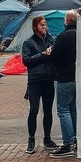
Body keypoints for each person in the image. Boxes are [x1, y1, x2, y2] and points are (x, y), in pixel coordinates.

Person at [20, 15, 58, 154]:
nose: (44, 27)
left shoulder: (50, 40)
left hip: (48, 78)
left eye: (45, 24)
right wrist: (42, 55)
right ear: (35, 27)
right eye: (41, 25)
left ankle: (47, 138)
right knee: (34, 109)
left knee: (48, 110)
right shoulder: (29, 43)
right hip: (35, 80)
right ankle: (31, 139)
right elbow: (27, 60)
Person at [47, 10, 78, 158]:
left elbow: (54, 58)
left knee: (63, 110)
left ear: (66, 21)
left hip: (65, 77)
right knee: (74, 110)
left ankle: (67, 143)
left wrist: (49, 53)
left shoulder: (63, 37)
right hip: (80, 78)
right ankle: (77, 140)